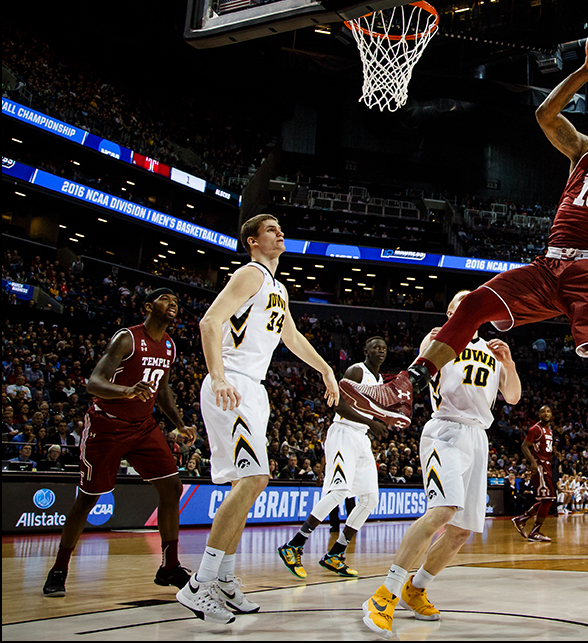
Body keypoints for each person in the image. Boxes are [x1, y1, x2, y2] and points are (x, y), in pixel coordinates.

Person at [341, 24, 588, 534]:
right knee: (474, 304)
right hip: (548, 265)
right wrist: (587, 67)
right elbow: (545, 115)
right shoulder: (580, 157)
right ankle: (406, 385)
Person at [176, 214, 341, 625]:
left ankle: (227, 579)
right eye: (270, 229)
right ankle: (200, 583)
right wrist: (217, 376)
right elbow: (209, 321)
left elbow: (291, 337)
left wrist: (324, 369)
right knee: (253, 480)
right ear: (252, 241)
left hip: (253, 388)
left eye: (280, 228)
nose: (279, 232)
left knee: (247, 486)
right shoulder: (249, 274)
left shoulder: (277, 288)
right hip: (231, 382)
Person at [362, 291, 521, 638]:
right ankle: (384, 594)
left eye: (473, 304)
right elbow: (424, 363)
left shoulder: (492, 351)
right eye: (462, 304)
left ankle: (415, 588)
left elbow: (512, 397)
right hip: (445, 430)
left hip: (479, 436)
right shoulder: (439, 337)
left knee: (461, 530)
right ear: (451, 311)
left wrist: (507, 364)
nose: (469, 307)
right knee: (443, 511)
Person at [43, 288, 197, 597]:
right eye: (166, 299)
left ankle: (169, 566)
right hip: (107, 426)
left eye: (176, 300)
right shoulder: (126, 338)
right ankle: (59, 568)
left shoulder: (169, 345)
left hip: (143, 427)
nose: (172, 303)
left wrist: (179, 425)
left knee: (172, 487)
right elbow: (94, 383)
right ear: (148, 306)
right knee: (87, 499)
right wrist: (126, 391)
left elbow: (162, 390)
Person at [278, 336, 391, 580]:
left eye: (384, 348)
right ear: (366, 350)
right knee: (338, 492)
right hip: (343, 432)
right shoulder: (357, 371)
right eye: (376, 347)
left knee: (370, 499)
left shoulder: (379, 380)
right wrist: (372, 423)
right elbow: (337, 403)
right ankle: (294, 545)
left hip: (361, 437)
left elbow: (368, 409)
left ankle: (336, 553)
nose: (380, 351)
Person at [512, 405, 557, 542]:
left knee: (547, 499)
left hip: (547, 464)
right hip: (540, 465)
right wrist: (532, 462)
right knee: (547, 499)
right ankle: (535, 531)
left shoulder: (548, 430)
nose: (546, 413)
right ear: (539, 414)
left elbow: (544, 447)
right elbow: (524, 446)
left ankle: (522, 519)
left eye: (548, 411)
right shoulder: (535, 429)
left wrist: (554, 453)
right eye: (543, 411)